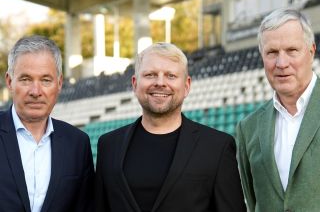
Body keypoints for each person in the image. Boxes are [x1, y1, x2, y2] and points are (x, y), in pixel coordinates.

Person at [95, 42, 246, 212]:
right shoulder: (108, 145)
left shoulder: (217, 147)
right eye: (150, 74)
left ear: (187, 85)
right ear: (135, 84)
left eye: (171, 76)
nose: (160, 82)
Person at [236, 8, 320, 211]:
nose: (281, 63)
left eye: (292, 50)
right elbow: (253, 200)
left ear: (311, 51)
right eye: (272, 53)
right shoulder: (248, 128)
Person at [0, 35, 94, 212]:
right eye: (26, 79)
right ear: (10, 82)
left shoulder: (78, 143)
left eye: (45, 80)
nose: (36, 92)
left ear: (59, 84)